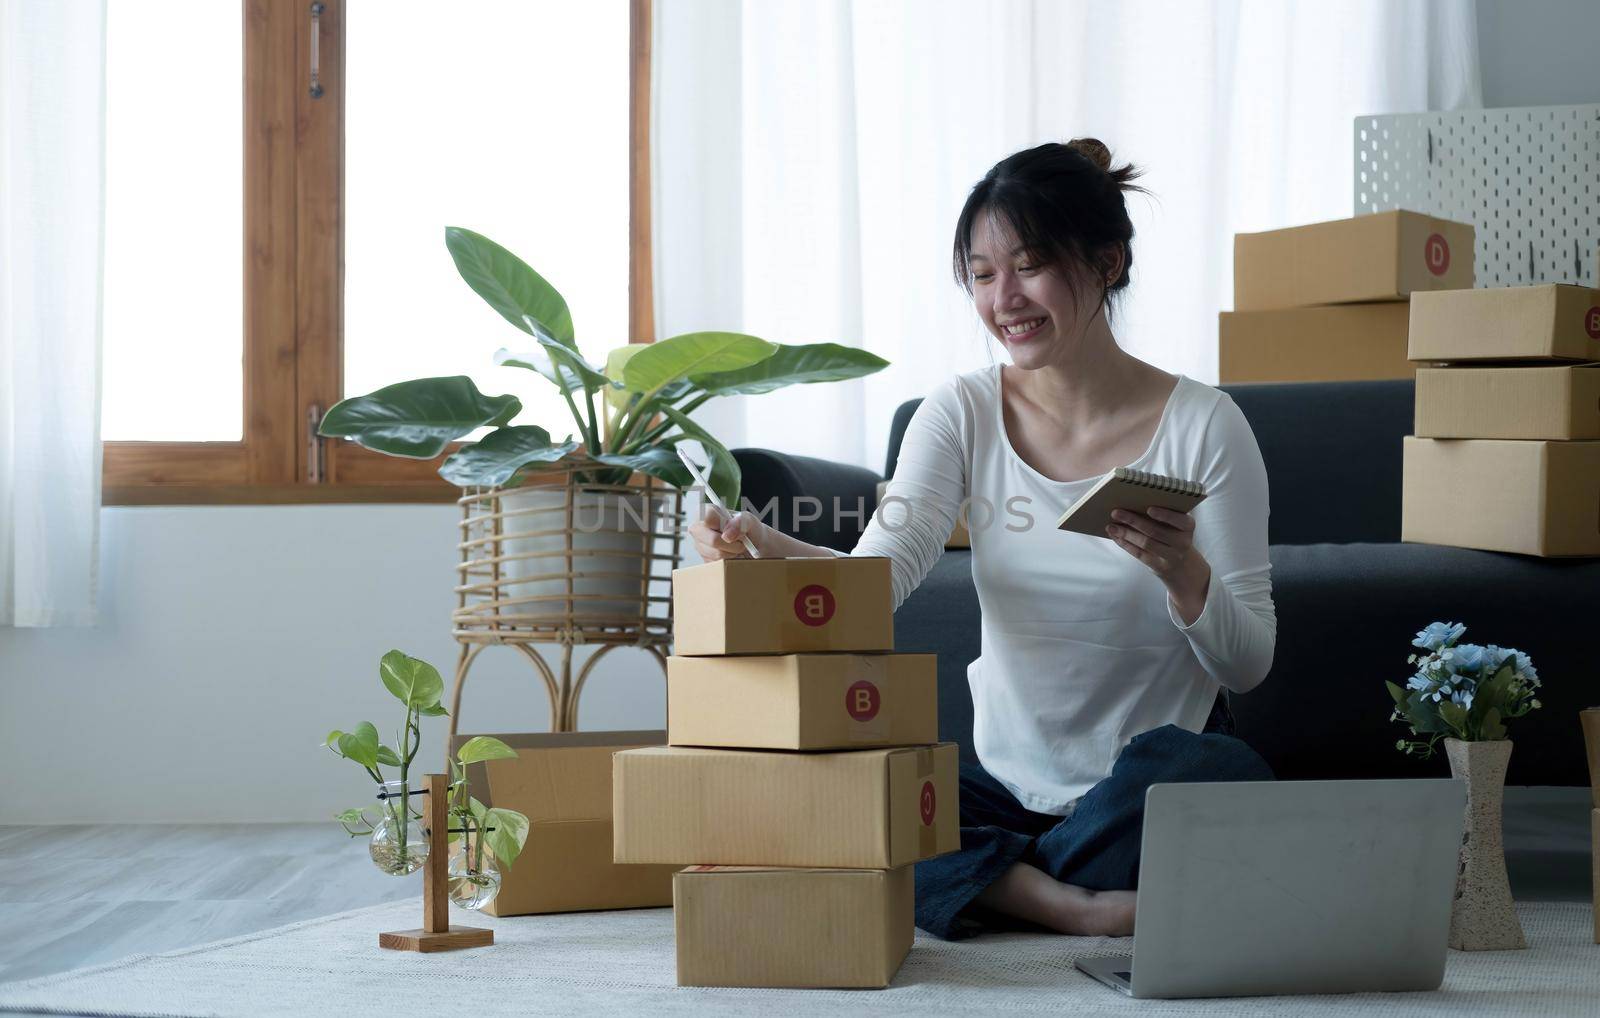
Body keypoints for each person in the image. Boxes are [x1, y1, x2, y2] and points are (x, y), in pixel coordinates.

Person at [688, 138, 1275, 941]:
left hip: (1138, 788)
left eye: (1029, 265)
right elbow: (877, 581)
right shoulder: (960, 411)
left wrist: (1185, 573)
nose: (1006, 298)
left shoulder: (1207, 426)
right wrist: (761, 542)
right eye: (982, 272)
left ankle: (996, 878)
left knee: (1220, 775)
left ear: (1107, 261)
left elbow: (1248, 663)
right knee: (856, 783)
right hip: (1001, 786)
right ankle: (1079, 902)